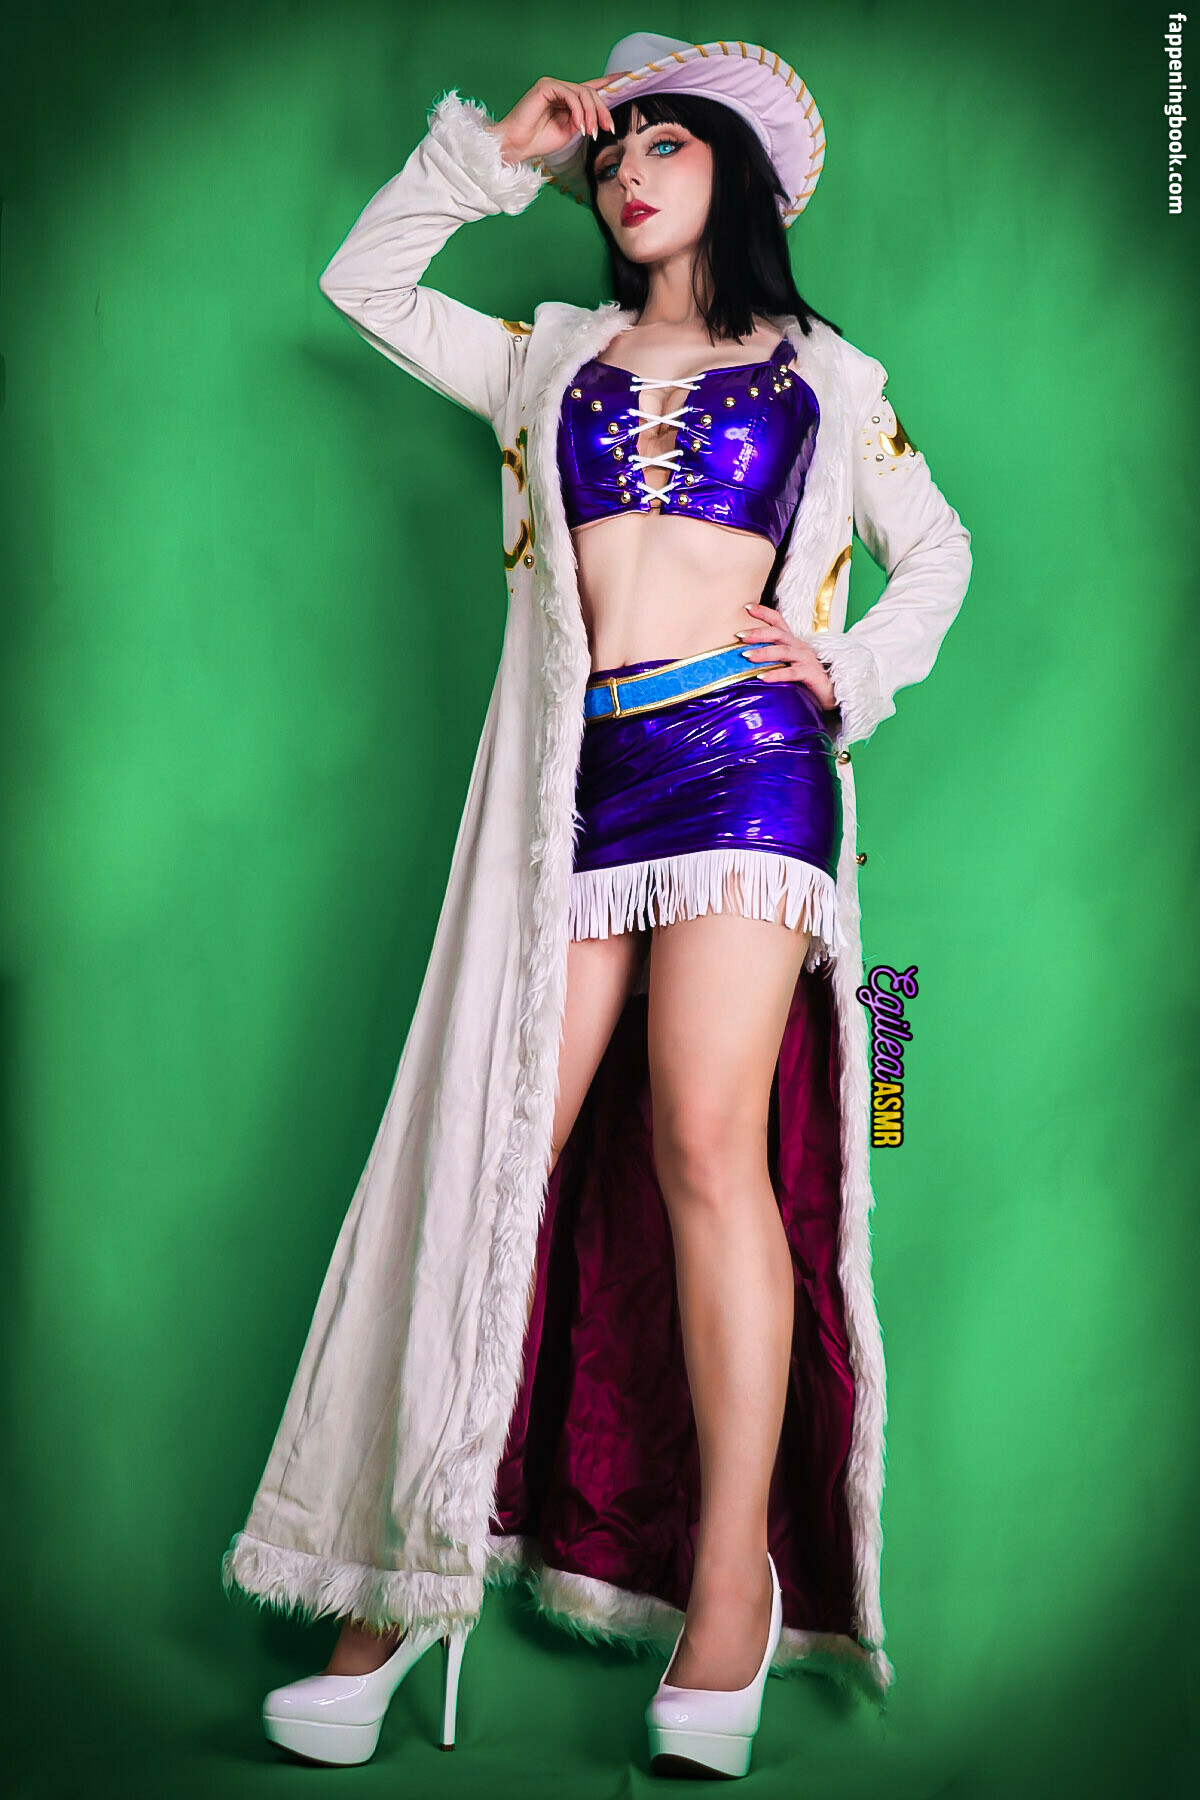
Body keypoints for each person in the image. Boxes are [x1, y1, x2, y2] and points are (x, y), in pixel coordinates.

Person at [222, 32, 972, 1780]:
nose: (627, 172)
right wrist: (502, 150)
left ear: (740, 174)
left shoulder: (825, 373)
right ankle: (397, 1589)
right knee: (500, 1147)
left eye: (665, 147)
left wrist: (847, 669)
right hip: (578, 778)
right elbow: (363, 283)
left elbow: (936, 550)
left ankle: (730, 1593)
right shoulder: (545, 357)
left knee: (710, 1143)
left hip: (749, 774)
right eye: (612, 153)